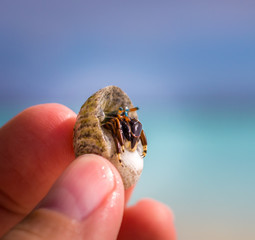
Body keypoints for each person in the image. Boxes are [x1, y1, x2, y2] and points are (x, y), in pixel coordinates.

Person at [0, 103, 176, 240]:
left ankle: (131, 147)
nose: (125, 116)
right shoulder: (114, 119)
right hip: (108, 129)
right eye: (123, 113)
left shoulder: (127, 120)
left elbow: (131, 124)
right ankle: (121, 145)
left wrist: (140, 145)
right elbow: (113, 121)